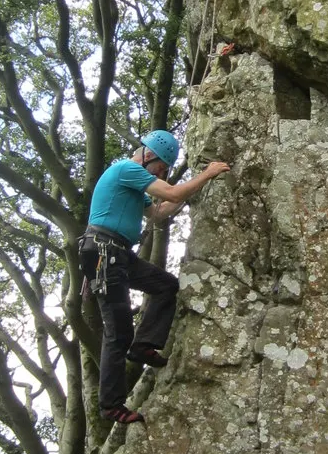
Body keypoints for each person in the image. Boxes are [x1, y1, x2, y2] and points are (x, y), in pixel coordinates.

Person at [80, 130, 230, 426]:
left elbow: (160, 212)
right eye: (162, 167)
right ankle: (111, 405)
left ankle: (143, 345)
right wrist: (208, 173)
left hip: (118, 254)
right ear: (149, 154)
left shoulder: (133, 187)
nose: (163, 173)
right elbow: (172, 193)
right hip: (103, 250)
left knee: (166, 285)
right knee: (118, 329)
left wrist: (198, 186)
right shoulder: (127, 169)